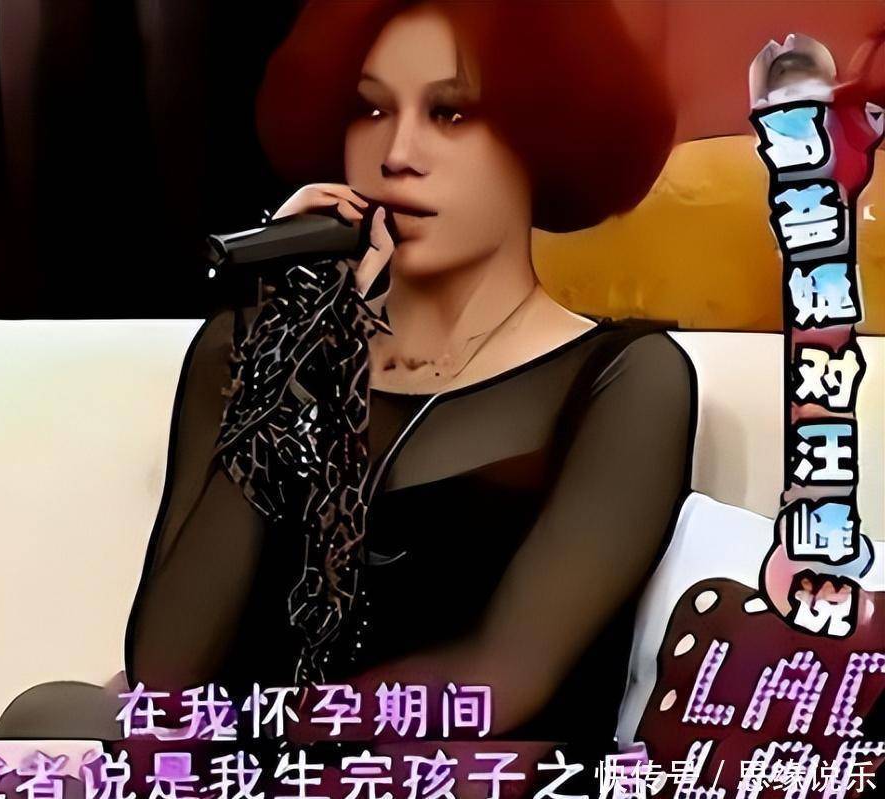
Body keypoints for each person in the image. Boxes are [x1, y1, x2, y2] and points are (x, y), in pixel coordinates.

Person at [124, 0, 696, 767]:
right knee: (42, 716)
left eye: (450, 114)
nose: (396, 155)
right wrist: (294, 353)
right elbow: (165, 675)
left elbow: (498, 684)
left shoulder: (624, 379)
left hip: (456, 777)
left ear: (542, 130)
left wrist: (269, 738)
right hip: (243, 770)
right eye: (370, 110)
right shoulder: (251, 349)